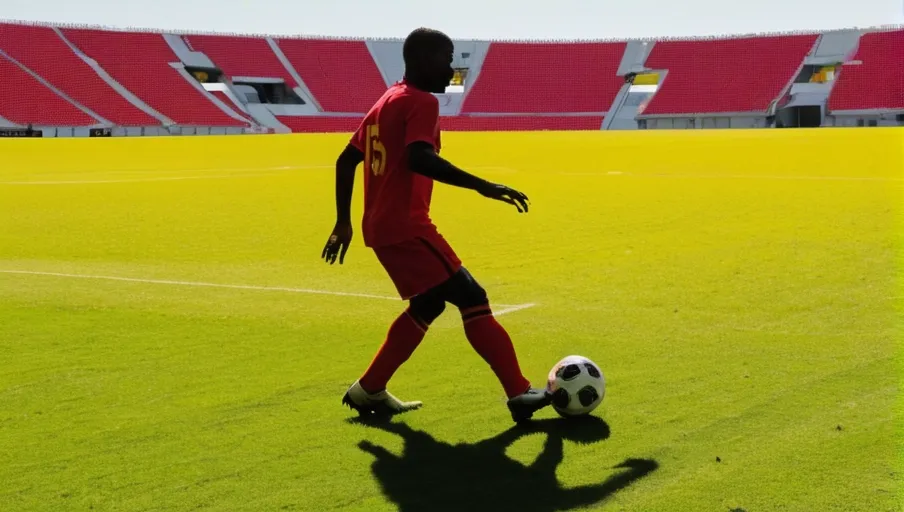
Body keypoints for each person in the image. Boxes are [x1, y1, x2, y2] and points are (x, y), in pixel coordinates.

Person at [321, 27, 551, 423]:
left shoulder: (387, 100)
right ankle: (518, 393)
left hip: (380, 228)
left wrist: (344, 222)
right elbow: (419, 159)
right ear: (424, 60)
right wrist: (483, 186)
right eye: (446, 60)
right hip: (407, 227)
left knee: (427, 303)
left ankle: (368, 389)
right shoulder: (420, 102)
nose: (451, 70)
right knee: (473, 297)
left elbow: (346, 159)